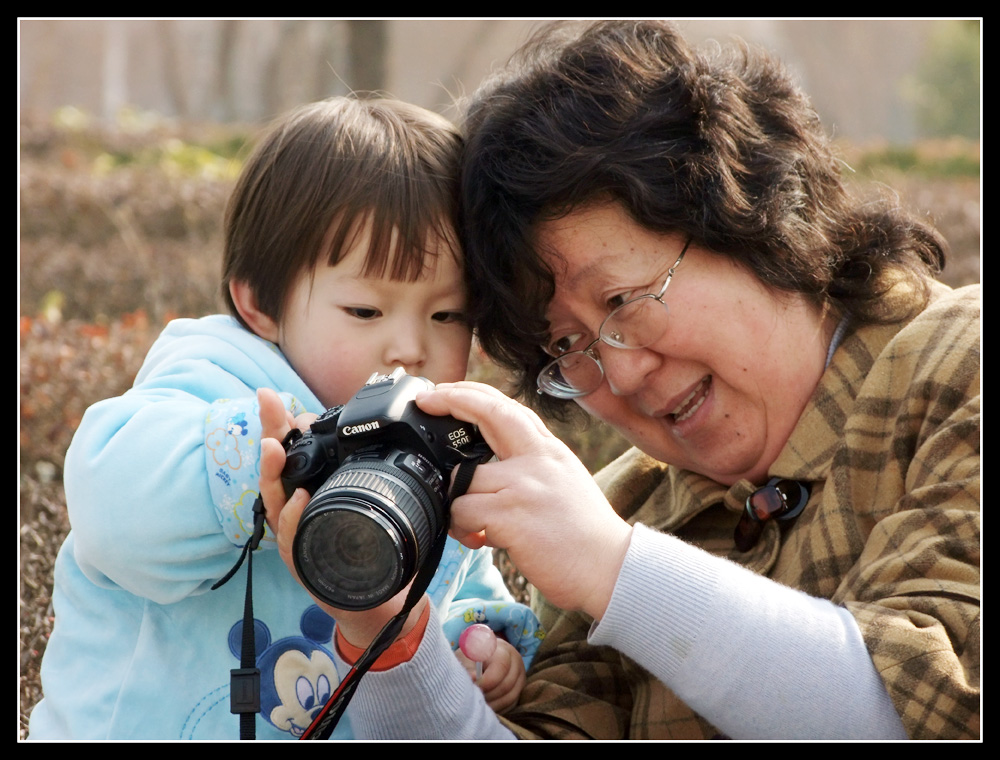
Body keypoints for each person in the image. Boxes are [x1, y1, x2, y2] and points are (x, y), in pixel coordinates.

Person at [261, 21, 979, 740]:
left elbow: (929, 711)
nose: (624, 373)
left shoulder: (960, 363)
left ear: (753, 216)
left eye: (623, 300)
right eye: (567, 346)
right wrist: (389, 632)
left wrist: (616, 570)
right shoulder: (627, 506)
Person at [27, 96, 540, 741]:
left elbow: (461, 575)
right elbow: (114, 511)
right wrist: (256, 466)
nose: (410, 348)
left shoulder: (434, 446)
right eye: (364, 311)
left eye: (448, 316)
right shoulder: (217, 385)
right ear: (259, 303)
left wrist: (479, 640)